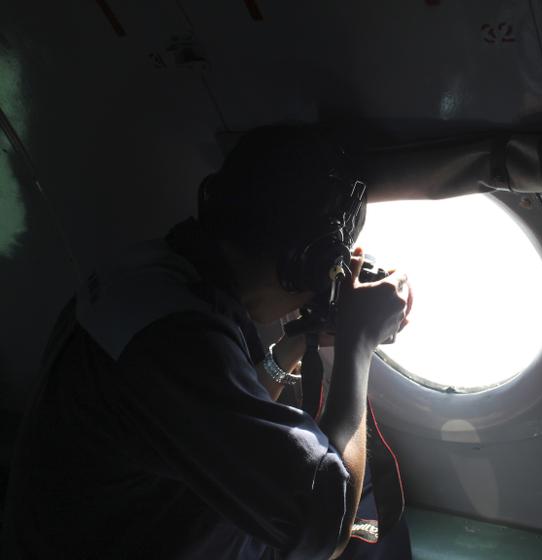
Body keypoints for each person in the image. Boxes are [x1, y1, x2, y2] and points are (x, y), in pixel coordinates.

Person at [1, 127, 412, 559]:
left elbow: (214, 410)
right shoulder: (178, 343)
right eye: (334, 264)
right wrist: (357, 344)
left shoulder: (161, 276)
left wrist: (294, 346)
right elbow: (325, 526)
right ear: (306, 262)